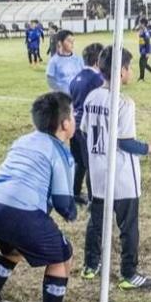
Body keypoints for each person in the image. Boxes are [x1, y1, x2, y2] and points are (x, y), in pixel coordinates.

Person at [0, 92, 78, 302]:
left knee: (12, 249)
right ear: (65, 124)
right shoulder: (61, 152)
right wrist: (74, 211)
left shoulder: (23, 140)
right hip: (17, 212)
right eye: (72, 116)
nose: (75, 120)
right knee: (63, 256)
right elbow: (64, 203)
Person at [80, 46, 151, 290]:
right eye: (128, 67)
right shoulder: (124, 102)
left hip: (98, 174)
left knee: (97, 222)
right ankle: (129, 273)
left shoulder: (92, 96)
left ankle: (90, 265)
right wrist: (150, 148)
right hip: (123, 176)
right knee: (128, 226)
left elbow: (85, 131)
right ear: (122, 71)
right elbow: (124, 142)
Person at [67, 42, 105, 205]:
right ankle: (93, 199)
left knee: (79, 162)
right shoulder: (97, 79)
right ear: (98, 62)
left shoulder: (75, 78)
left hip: (74, 125)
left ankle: (75, 193)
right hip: (88, 126)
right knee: (92, 164)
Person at [46, 30, 84, 94]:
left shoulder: (78, 59)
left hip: (77, 96)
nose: (72, 43)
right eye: (69, 41)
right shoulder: (54, 61)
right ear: (60, 43)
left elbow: (83, 77)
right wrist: (61, 92)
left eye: (73, 41)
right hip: (62, 98)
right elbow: (50, 80)